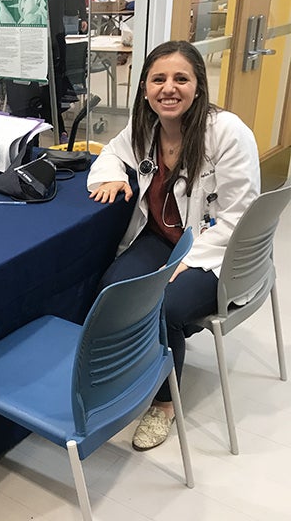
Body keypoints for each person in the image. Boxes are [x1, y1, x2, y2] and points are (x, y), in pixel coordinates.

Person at [87, 40, 260, 450]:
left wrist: (192, 259)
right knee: (112, 292)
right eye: (158, 79)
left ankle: (164, 404)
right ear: (145, 87)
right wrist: (112, 175)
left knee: (161, 306)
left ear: (198, 86)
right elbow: (111, 151)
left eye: (181, 78)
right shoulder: (145, 128)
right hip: (161, 238)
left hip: (218, 252)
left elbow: (242, 216)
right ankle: (131, 371)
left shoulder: (228, 132)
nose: (169, 88)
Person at [4, 0, 69, 142]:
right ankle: (57, 131)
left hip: (29, 48)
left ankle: (31, 146)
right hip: (55, 47)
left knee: (28, 105)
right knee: (48, 97)